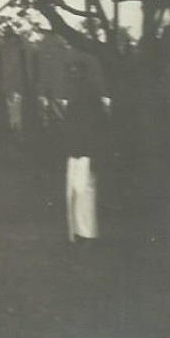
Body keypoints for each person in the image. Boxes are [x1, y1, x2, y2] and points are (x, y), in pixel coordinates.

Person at [61, 58, 109, 245]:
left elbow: (98, 128)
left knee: (85, 193)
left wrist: (94, 153)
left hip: (87, 152)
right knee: (74, 192)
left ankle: (88, 235)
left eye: (77, 72)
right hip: (74, 151)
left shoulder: (91, 98)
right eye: (71, 72)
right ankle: (77, 233)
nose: (74, 75)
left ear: (84, 74)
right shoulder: (73, 98)